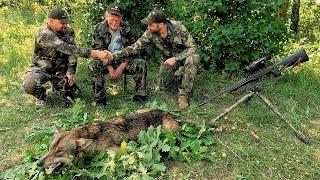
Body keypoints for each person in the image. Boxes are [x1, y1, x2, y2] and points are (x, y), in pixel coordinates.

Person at [108, 9, 199, 109]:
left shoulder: (178, 27)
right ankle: (180, 74)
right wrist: (113, 56)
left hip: (182, 58)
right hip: (168, 62)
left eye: (151, 24)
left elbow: (193, 47)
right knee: (163, 87)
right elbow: (134, 48)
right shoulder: (150, 33)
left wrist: (176, 58)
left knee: (193, 58)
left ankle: (183, 95)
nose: (148, 27)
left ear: (160, 24)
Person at [22, 8, 110, 107]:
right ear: (50, 21)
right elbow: (68, 48)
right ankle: (42, 95)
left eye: (66, 23)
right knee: (29, 84)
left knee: (74, 94)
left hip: (60, 69)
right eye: (62, 23)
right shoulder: (44, 33)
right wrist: (96, 53)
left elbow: (72, 54)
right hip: (42, 68)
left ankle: (58, 86)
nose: (65, 25)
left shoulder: (69, 31)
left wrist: (71, 71)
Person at [88, 3, 147, 107]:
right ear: (106, 17)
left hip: (123, 60)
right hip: (105, 61)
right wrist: (110, 68)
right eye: (112, 19)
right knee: (93, 65)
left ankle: (139, 96)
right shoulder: (99, 28)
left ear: (121, 18)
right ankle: (100, 100)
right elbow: (98, 50)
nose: (114, 23)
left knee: (140, 63)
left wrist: (121, 67)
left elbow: (132, 49)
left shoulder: (126, 28)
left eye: (117, 20)